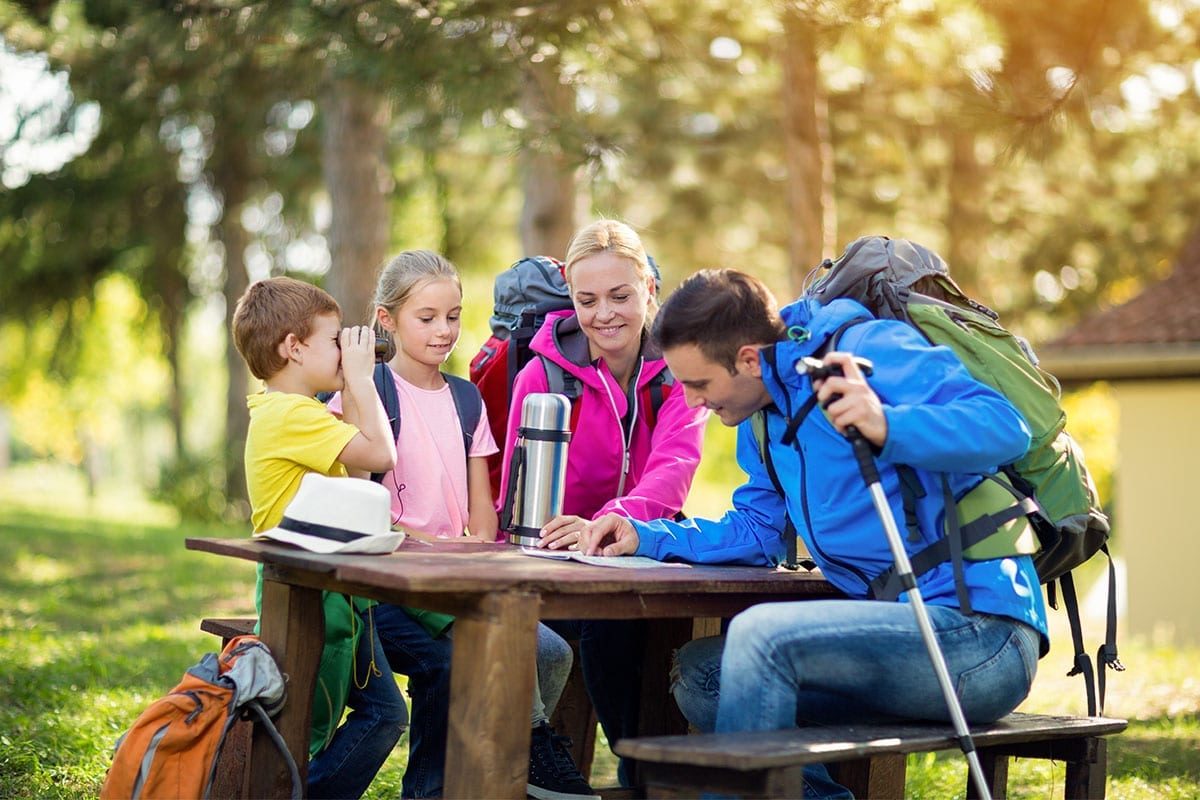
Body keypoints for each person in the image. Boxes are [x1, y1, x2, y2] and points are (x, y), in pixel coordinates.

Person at [580, 268, 1048, 799]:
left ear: (750, 358)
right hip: (891, 638)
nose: (690, 403)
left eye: (699, 384)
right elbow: (757, 531)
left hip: (979, 637)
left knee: (762, 639)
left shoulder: (865, 348)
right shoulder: (761, 420)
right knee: (703, 675)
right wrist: (647, 537)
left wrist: (888, 425)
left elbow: (1004, 426)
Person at [328, 249, 595, 800]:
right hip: (384, 593)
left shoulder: (468, 399)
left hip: (454, 585)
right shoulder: (366, 391)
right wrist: (433, 546)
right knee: (453, 663)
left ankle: (508, 769)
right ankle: (451, 787)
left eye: (452, 316)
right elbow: (356, 495)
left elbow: (481, 519)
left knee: (554, 650)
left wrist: (473, 548)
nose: (443, 330)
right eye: (426, 318)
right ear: (387, 319)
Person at [499, 220, 710, 786]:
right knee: (606, 624)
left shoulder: (678, 369)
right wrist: (567, 533)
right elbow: (515, 494)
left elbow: (675, 465)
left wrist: (615, 522)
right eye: (586, 300)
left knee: (654, 626)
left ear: (648, 288)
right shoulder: (542, 370)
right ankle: (630, 773)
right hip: (555, 557)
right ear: (569, 295)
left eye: (620, 296)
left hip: (641, 544)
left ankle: (646, 775)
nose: (604, 314)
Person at [231, 276, 407, 800]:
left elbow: (360, 481)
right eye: (334, 340)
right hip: (306, 595)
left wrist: (352, 381)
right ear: (293, 347)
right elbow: (382, 456)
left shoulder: (292, 413)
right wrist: (364, 380)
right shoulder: (292, 414)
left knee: (377, 714)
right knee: (335, 721)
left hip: (328, 589)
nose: (343, 350)